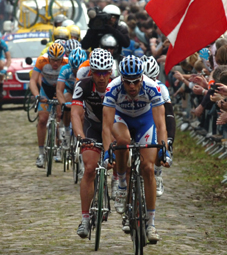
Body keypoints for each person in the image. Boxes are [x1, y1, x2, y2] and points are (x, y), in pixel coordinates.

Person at [102, 56, 170, 242]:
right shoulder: (112, 88)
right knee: (123, 141)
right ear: (121, 79)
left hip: (144, 121)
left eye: (136, 81)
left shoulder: (152, 87)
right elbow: (107, 126)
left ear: (142, 78)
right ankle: (122, 183)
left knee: (148, 168)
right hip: (121, 119)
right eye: (127, 82)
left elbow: (160, 124)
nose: (132, 86)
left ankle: (151, 223)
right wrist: (108, 152)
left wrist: (164, 148)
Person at [70, 49, 113, 238]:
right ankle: (85, 219)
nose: (102, 77)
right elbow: (76, 113)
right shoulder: (84, 85)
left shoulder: (118, 86)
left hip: (113, 127)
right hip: (92, 128)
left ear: (111, 72)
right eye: (97, 72)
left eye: (105, 72)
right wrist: (80, 136)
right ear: (91, 72)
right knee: (89, 168)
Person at [30, 43, 68, 168]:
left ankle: (58, 148)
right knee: (42, 120)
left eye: (58, 60)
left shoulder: (67, 62)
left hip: (60, 90)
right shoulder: (41, 61)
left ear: (63, 58)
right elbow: (33, 80)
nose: (55, 63)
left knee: (59, 117)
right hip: (45, 90)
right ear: (48, 57)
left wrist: (62, 98)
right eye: (53, 60)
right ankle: (41, 154)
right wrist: (37, 96)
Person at [141, 55, 174, 196]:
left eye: (152, 79)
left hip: (153, 120)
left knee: (159, 143)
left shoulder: (161, 88)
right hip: (137, 118)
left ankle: (158, 174)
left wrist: (170, 139)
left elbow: (169, 115)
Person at [56, 47, 87, 147]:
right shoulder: (65, 69)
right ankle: (67, 131)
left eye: (78, 69)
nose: (76, 71)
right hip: (70, 90)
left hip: (83, 92)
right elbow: (59, 91)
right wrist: (63, 105)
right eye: (74, 69)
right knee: (67, 101)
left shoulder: (87, 70)